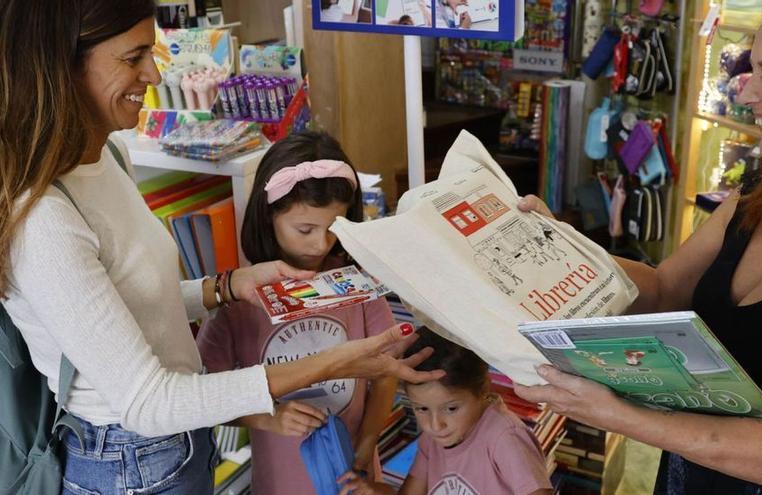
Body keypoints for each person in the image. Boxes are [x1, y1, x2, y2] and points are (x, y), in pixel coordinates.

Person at [0, 2, 442, 494]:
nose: (154, 72)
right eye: (134, 56)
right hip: (131, 464)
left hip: (180, 447)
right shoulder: (44, 221)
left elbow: (124, 302)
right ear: (62, 65)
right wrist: (337, 363)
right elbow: (148, 402)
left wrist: (225, 286)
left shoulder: (108, 156)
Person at [515, 1, 762, 493]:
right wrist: (560, 245)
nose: (747, 92)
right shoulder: (760, 194)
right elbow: (665, 288)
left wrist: (619, 414)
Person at [197, 131, 399, 495]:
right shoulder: (241, 300)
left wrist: (368, 443)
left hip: (354, 472)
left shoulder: (356, 285)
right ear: (268, 216)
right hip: (281, 480)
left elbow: (386, 376)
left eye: (334, 228)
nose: (320, 244)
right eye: (304, 229)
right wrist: (266, 417)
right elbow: (204, 395)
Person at [338, 328, 553, 495]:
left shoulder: (504, 437)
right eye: (421, 409)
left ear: (482, 390)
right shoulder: (432, 440)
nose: (435, 425)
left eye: (451, 408)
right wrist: (373, 490)